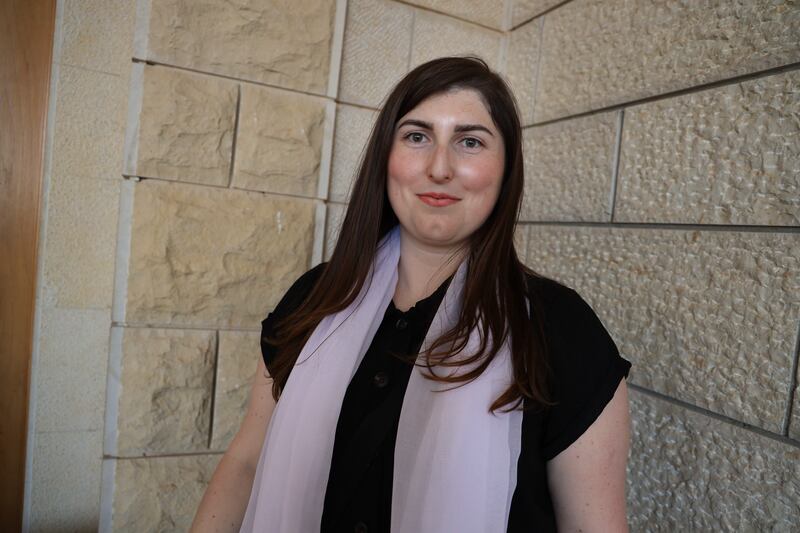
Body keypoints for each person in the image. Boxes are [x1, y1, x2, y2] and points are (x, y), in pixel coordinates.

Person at [191, 56, 632, 533]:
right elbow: (247, 463)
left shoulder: (559, 328)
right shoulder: (313, 300)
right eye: (417, 137)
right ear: (386, 156)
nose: (439, 168)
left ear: (506, 170)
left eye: (469, 141)